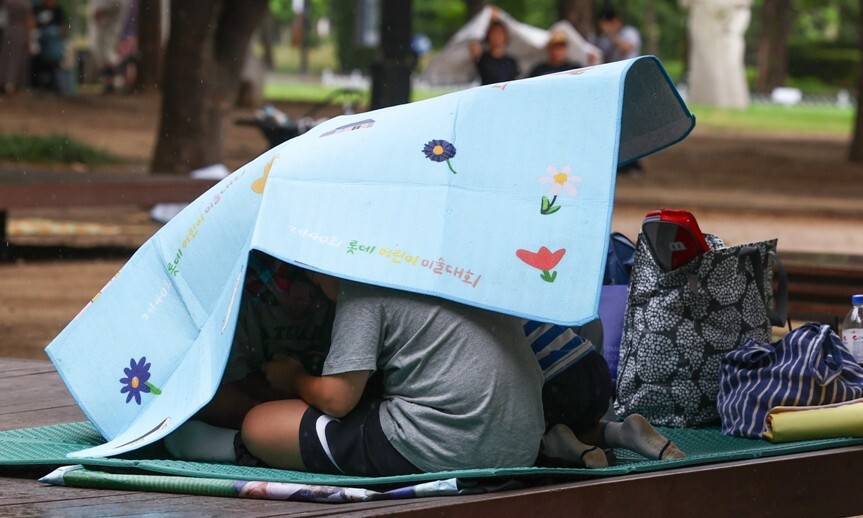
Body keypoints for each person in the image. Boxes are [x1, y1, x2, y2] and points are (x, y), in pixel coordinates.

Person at [167, 274, 546, 476]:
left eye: (314, 279)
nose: (316, 289)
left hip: (446, 447)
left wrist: (293, 378)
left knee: (261, 422)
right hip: (522, 444)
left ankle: (236, 448)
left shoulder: (361, 288)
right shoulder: (448, 269)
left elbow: (337, 398)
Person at [469, 19, 519, 85]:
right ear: (488, 35)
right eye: (494, 32)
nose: (497, 36)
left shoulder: (511, 61)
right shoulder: (482, 58)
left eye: (500, 33)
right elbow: (474, 38)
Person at [31, 0, 67, 92]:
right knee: (38, 64)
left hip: (53, 44)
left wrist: (54, 32)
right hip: (40, 41)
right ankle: (38, 85)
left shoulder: (58, 9)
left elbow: (63, 27)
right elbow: (32, 23)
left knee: (54, 64)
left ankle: (54, 85)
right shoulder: (38, 8)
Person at [0, 0, 32, 95]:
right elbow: (28, 19)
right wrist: (29, 36)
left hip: (8, 31)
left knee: (6, 57)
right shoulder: (23, 3)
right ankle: (11, 83)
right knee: (15, 58)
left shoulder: (6, 2)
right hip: (19, 31)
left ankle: (6, 82)